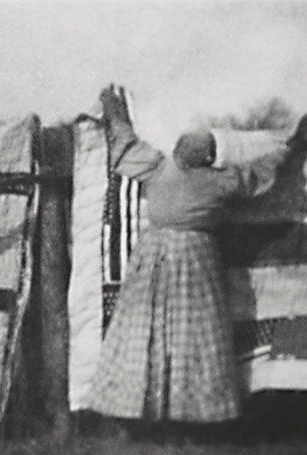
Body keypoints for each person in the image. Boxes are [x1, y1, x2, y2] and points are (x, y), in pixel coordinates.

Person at [84, 86, 276, 424]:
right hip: (192, 258)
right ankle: (187, 414)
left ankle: (149, 411)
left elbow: (123, 144)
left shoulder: (159, 169)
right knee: (191, 336)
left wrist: (114, 109)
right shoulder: (220, 180)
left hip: (159, 256)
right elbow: (262, 174)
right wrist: (287, 145)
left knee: (152, 330)